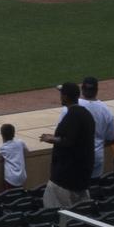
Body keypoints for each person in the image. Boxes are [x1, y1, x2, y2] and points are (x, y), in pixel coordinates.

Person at [39, 82, 95, 210]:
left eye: (61, 94)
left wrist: (51, 139)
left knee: (54, 212)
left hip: (65, 179)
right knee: (80, 216)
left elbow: (68, 141)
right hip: (82, 177)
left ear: (65, 97)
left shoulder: (73, 115)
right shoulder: (85, 114)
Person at [78, 78, 114, 186]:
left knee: (76, 189)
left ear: (82, 89)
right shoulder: (105, 109)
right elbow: (111, 138)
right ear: (97, 90)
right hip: (97, 156)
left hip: (77, 156)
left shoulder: (73, 107)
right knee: (93, 187)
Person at [0, 123, 27, 190]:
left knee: (10, 193)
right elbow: (26, 150)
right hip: (22, 176)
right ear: (14, 134)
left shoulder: (3, 148)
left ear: (2, 135)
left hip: (11, 178)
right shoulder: (20, 142)